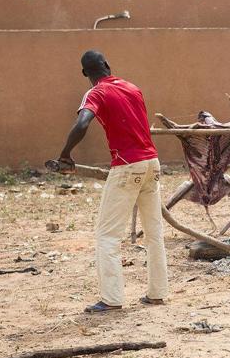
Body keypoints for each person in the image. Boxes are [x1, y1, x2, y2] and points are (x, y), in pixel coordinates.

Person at [57, 50, 168, 313]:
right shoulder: (133, 88)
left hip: (127, 167)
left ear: (86, 74)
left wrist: (64, 154)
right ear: (107, 64)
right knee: (154, 233)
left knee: (107, 236)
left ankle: (112, 299)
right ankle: (157, 293)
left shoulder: (95, 92)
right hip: (152, 163)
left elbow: (82, 122)